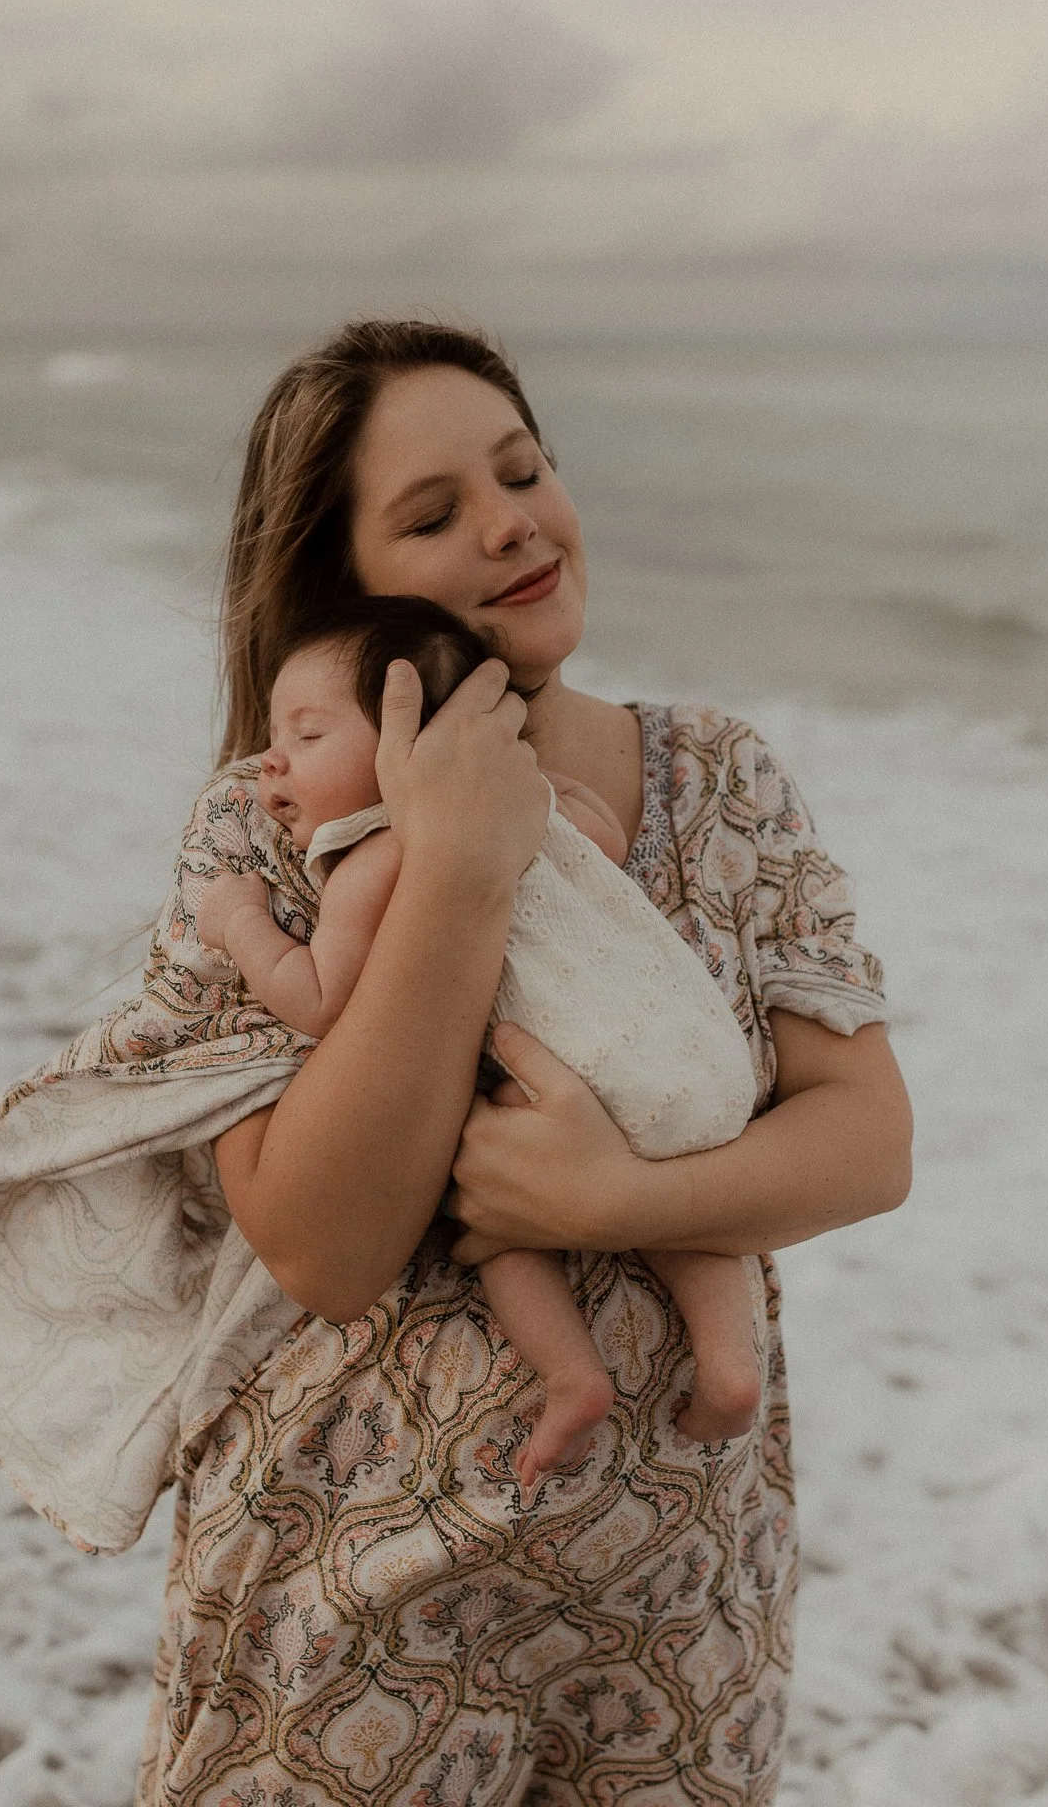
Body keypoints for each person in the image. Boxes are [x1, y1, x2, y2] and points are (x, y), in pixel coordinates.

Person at [136, 318, 912, 1807]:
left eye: (523, 469)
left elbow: (869, 1141)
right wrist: (464, 869)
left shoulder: (719, 775)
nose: (511, 524)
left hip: (680, 1613)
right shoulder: (268, 829)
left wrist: (603, 1198)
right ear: (340, 590)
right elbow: (324, 1246)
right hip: (356, 1603)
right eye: (432, 515)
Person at [196, 593, 765, 1494]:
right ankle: (732, 1365)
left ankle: (573, 1375)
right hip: (686, 1056)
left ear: (408, 742)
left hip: (559, 1083)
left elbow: (316, 998)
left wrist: (240, 925)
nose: (273, 759)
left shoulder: (376, 853)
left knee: (491, 1225)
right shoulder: (538, 797)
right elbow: (605, 849)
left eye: (307, 737)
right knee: (689, 1206)